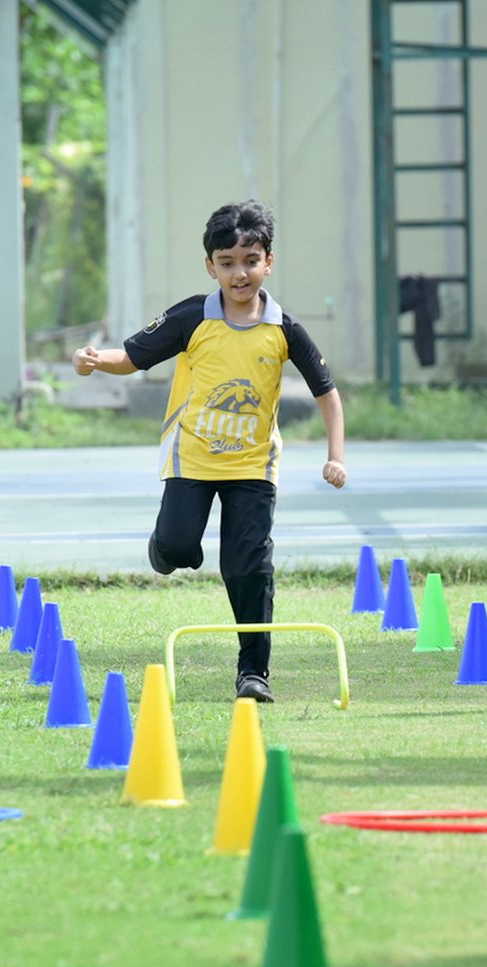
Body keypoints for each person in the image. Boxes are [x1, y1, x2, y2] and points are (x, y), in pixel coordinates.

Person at [72, 200, 346, 703]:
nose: (239, 273)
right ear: (211, 266)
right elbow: (133, 356)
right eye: (227, 262)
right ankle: (166, 547)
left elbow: (327, 393)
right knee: (177, 549)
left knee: (248, 566)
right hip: (192, 459)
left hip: (252, 465)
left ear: (268, 261)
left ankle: (254, 673)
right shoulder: (193, 316)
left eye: (250, 260)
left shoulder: (284, 329)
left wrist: (335, 456)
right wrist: (94, 360)